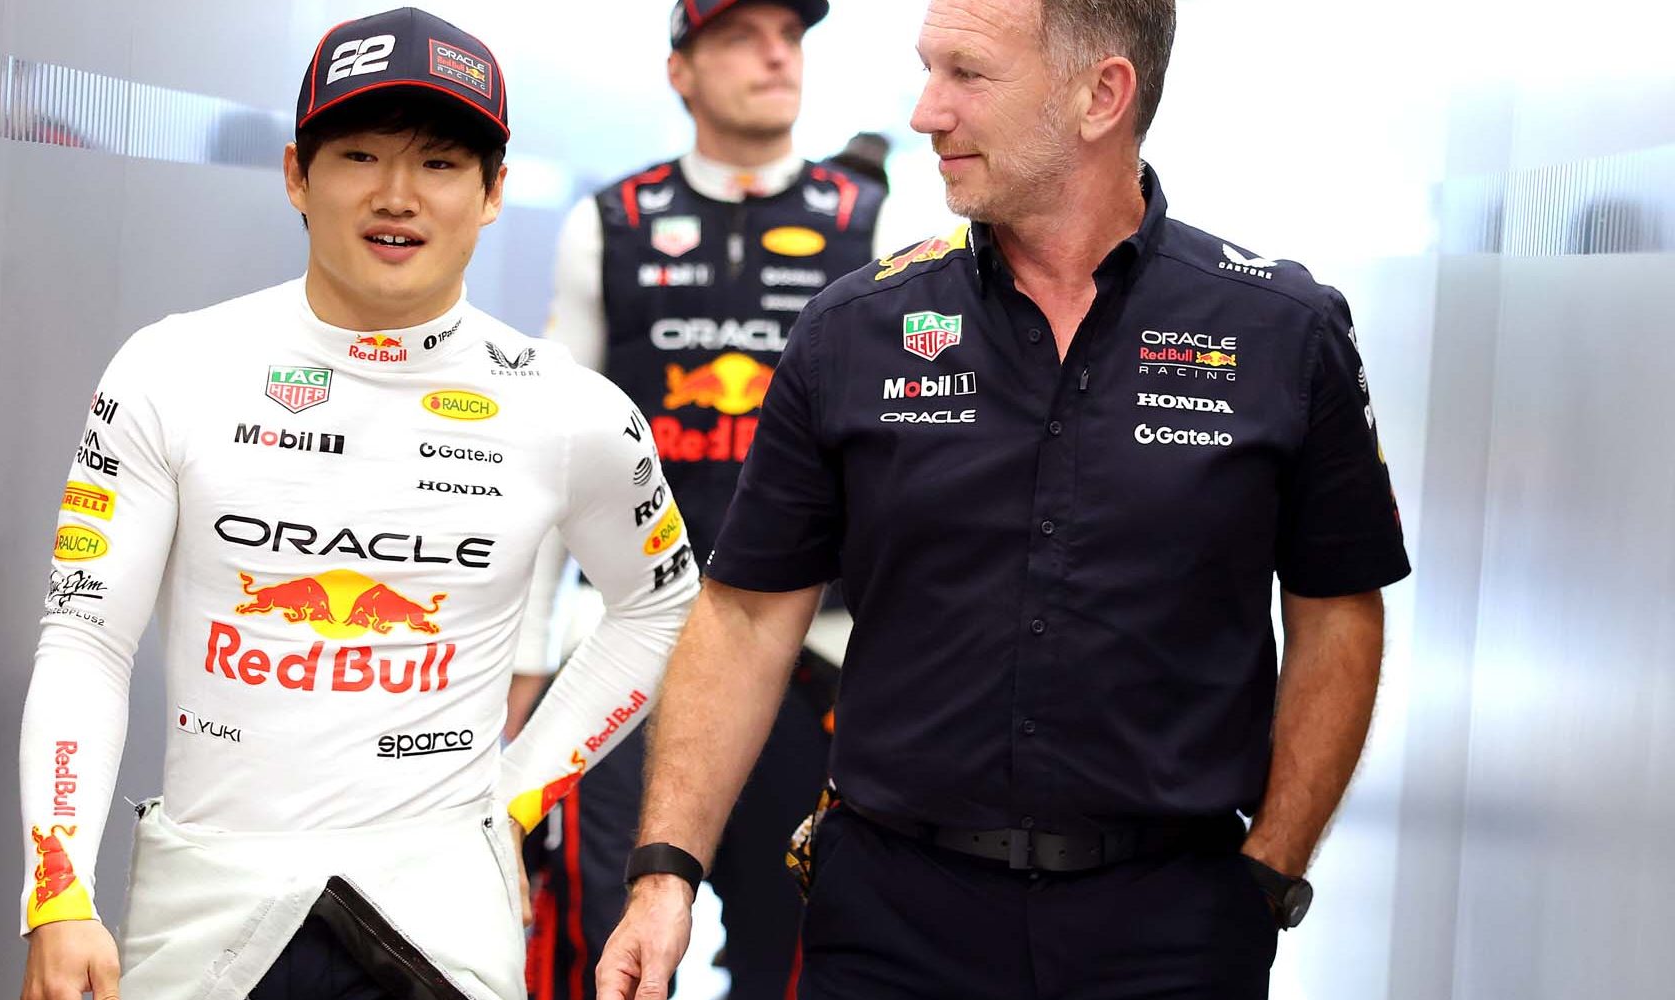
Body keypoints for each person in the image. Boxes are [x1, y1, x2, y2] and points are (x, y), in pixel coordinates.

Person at [597, 1, 1412, 998]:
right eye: (926, 70)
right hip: (891, 923)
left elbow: (1338, 613)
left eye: (965, 75)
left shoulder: (1283, 328)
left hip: (1172, 931)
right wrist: (666, 871)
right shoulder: (854, 329)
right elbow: (744, 615)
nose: (925, 112)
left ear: (1100, 95)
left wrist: (1268, 875)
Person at [14, 9, 699, 1000]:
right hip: (204, 913)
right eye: (361, 153)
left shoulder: (570, 409)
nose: (396, 195)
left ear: (494, 190)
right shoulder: (172, 368)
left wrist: (520, 787)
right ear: (297, 173)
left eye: (441, 163)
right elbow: (85, 637)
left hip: (445, 923)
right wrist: (57, 888)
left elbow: (663, 601)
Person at [519, 2, 895, 997]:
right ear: (680, 70)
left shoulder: (876, 222)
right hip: (632, 648)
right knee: (610, 953)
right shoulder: (609, 223)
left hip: (812, 656)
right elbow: (550, 467)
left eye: (792, 32)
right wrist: (519, 680)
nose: (777, 53)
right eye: (741, 34)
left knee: (799, 960)